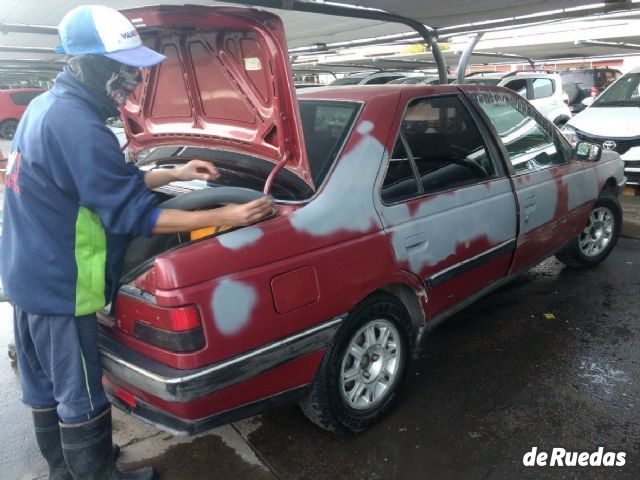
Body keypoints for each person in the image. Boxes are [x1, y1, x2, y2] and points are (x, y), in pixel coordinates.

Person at [0, 5, 273, 480]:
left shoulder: (51, 107)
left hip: (28, 271)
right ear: (83, 63)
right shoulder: (78, 125)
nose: (131, 77)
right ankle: (96, 474)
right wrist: (228, 214)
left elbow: (104, 181)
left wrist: (178, 171)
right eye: (120, 66)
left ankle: (64, 471)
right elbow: (133, 214)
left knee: (44, 385)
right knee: (79, 390)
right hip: (63, 282)